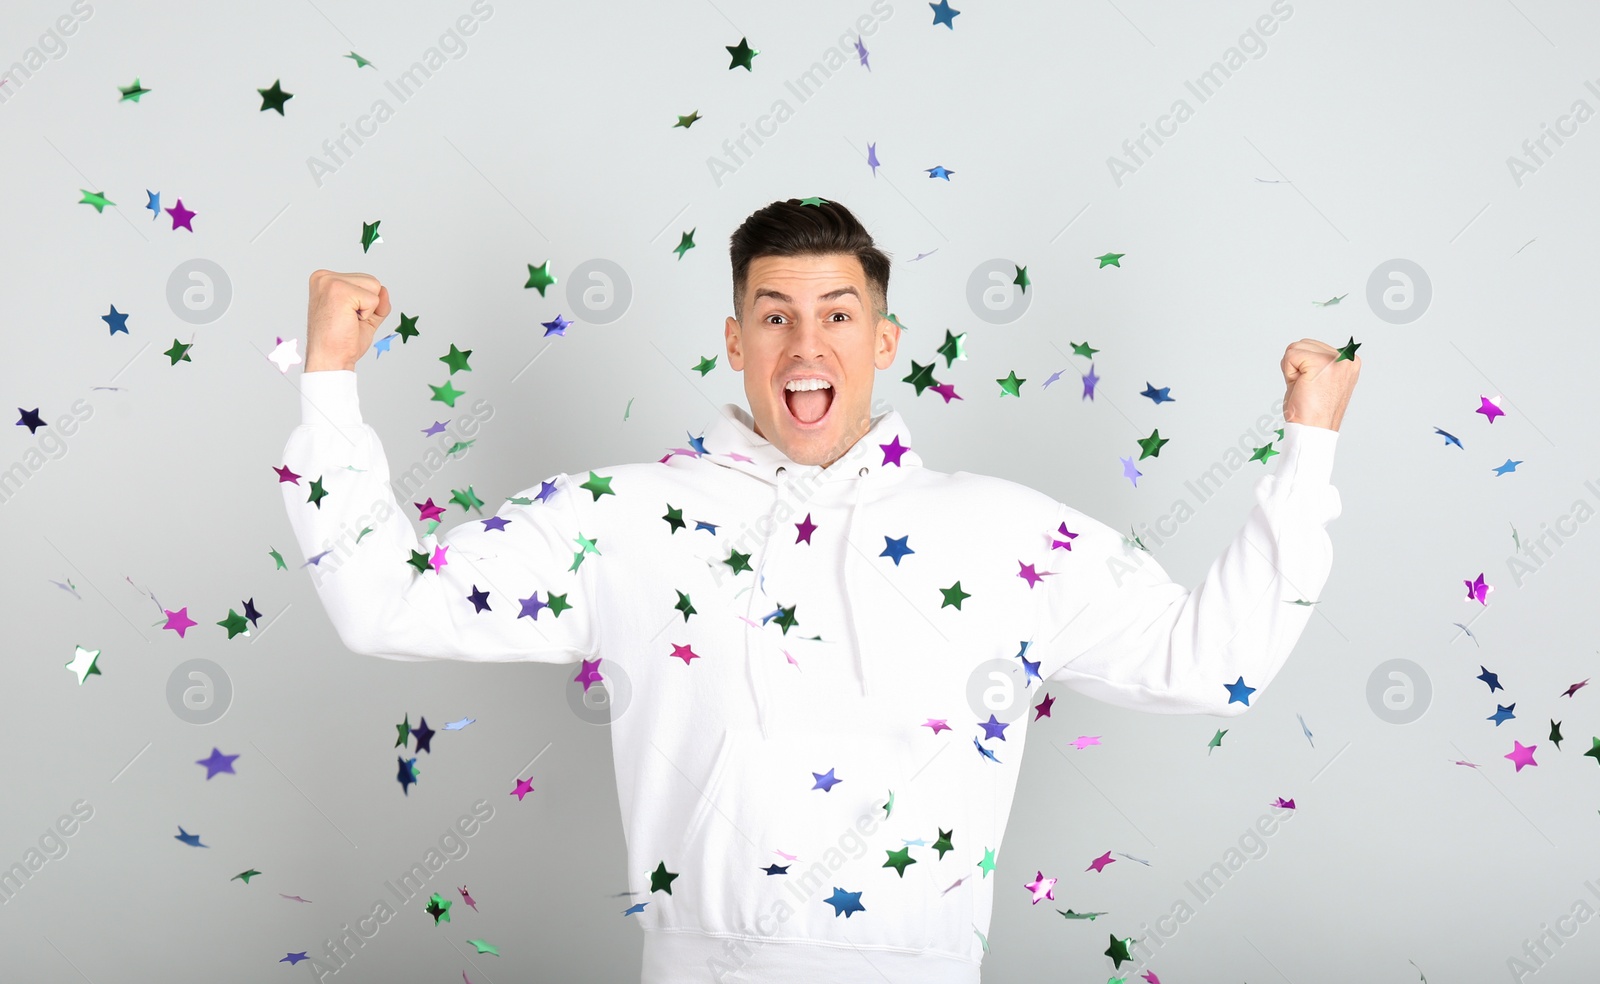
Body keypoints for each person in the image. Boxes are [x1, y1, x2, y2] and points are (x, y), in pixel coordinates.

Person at [280, 198, 1358, 983]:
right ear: (736, 341)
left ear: (883, 342)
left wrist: (1307, 449)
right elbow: (384, 602)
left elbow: (1213, 667)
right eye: (774, 315)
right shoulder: (622, 518)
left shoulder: (1002, 530)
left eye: (838, 314)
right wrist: (328, 382)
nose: (806, 343)